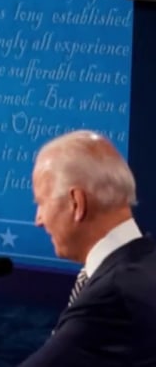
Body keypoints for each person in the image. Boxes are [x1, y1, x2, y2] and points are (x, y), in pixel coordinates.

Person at [18, 130, 156, 366]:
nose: (38, 219)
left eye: (41, 203)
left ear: (77, 203)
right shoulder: (147, 263)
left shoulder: (111, 297)